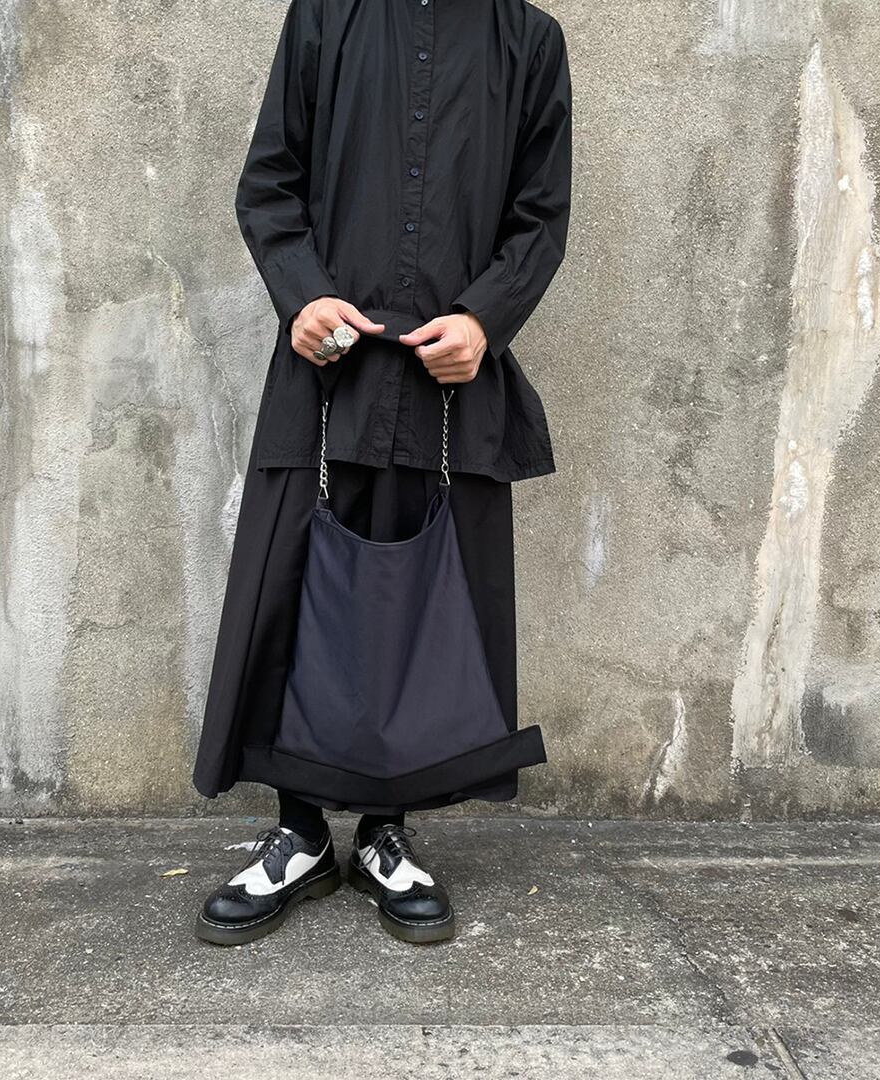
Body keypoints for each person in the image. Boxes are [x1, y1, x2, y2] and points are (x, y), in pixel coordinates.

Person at [193, 0, 572, 946]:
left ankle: (384, 834)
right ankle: (300, 835)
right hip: (328, 374)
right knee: (292, 600)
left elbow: (540, 216)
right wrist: (303, 297)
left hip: (447, 386)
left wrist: (484, 320)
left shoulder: (529, 40)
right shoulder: (327, 14)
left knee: (422, 613)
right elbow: (270, 183)